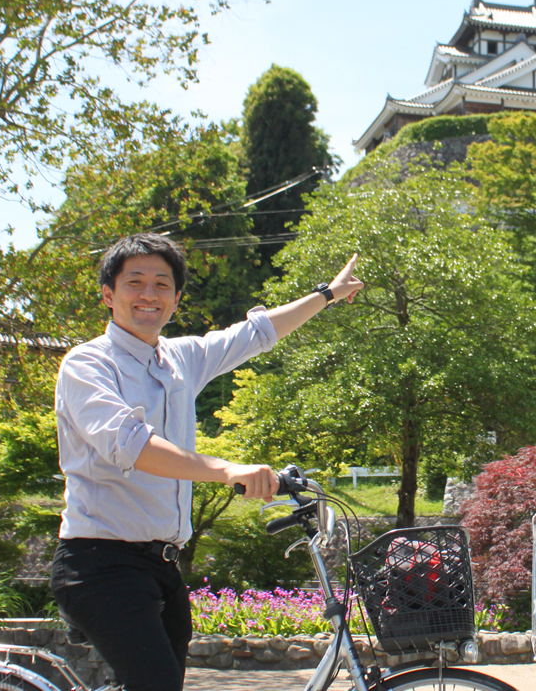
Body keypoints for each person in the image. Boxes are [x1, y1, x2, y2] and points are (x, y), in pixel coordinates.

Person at [49, 233, 363, 691]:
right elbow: (133, 446)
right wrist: (228, 470)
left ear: (176, 298)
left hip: (163, 565)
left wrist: (328, 294)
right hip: (100, 564)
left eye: (162, 284)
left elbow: (256, 334)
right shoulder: (88, 365)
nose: (148, 294)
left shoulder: (179, 359)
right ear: (108, 294)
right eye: (134, 282)